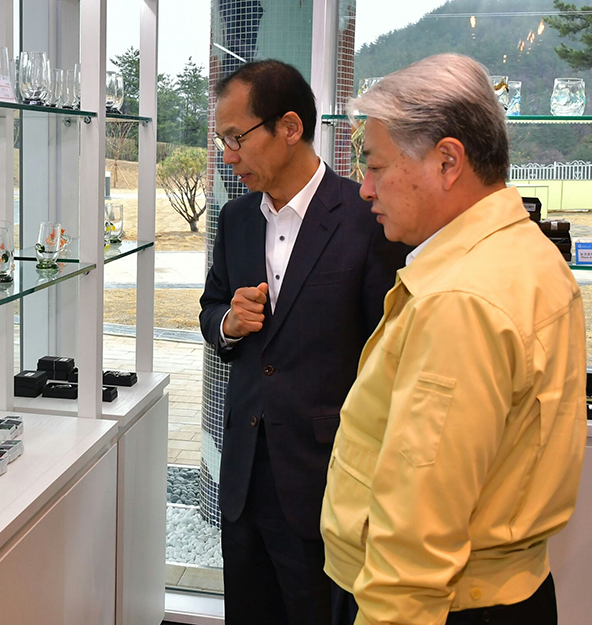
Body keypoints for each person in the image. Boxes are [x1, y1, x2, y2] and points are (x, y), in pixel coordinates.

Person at [320, 53, 587, 625]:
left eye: (375, 166)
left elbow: (418, 534)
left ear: (447, 161)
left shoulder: (460, 298)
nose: (364, 189)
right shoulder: (526, 253)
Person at [199, 60, 407, 624]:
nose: (228, 156)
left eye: (237, 138)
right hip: (244, 476)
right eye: (222, 141)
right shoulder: (236, 218)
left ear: (290, 127)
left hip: (326, 477)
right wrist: (229, 322)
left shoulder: (367, 217)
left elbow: (387, 353)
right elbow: (210, 309)